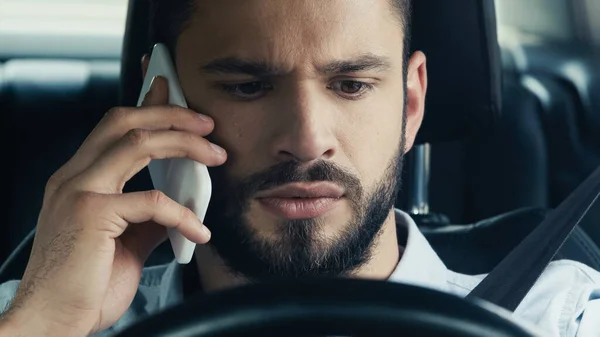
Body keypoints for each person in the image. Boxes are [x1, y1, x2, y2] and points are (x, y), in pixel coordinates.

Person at [0, 0, 598, 336]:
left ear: (410, 104)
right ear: (163, 100)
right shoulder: (52, 315)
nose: (308, 142)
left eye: (352, 84)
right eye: (249, 86)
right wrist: (47, 324)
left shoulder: (557, 315)